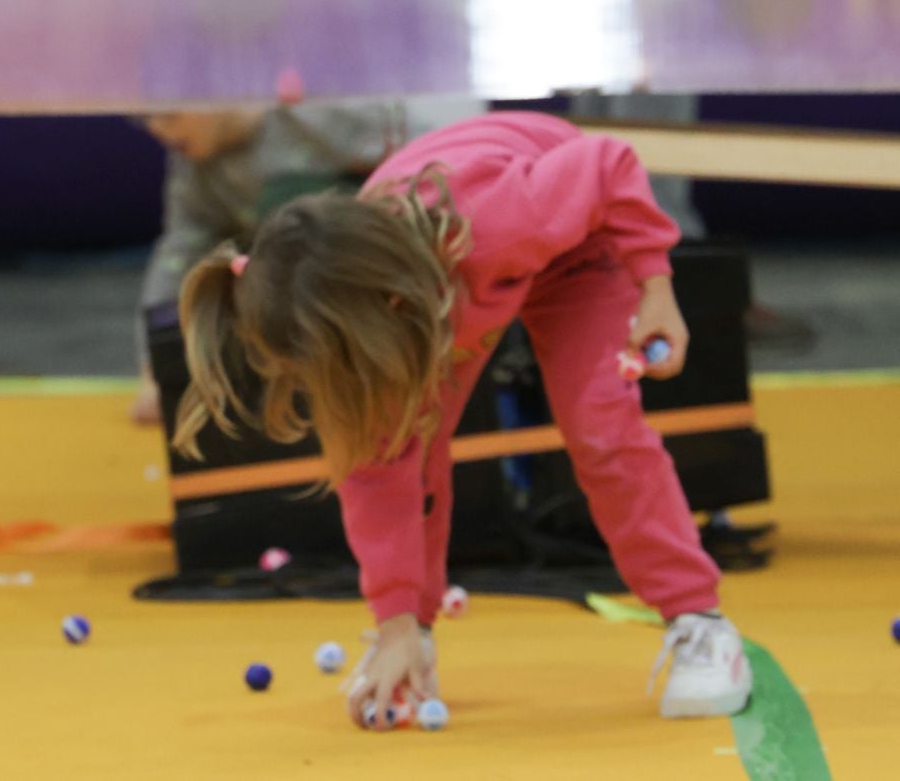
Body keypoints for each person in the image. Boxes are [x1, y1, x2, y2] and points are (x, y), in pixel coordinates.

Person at [173, 112, 751, 727]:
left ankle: (699, 621)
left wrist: (655, 285)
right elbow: (377, 477)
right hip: (439, 288)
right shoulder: (361, 300)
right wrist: (396, 623)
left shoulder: (499, 218)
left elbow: (609, 162)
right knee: (392, 440)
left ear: (386, 311)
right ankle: (411, 646)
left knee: (600, 427)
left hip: (576, 240)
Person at [133, 99, 478, 424]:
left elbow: (436, 157)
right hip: (308, 306)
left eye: (168, 114)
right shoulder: (195, 169)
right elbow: (178, 258)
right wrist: (158, 367)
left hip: (389, 279)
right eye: (144, 119)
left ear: (214, 94)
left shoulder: (308, 117)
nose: (157, 130)